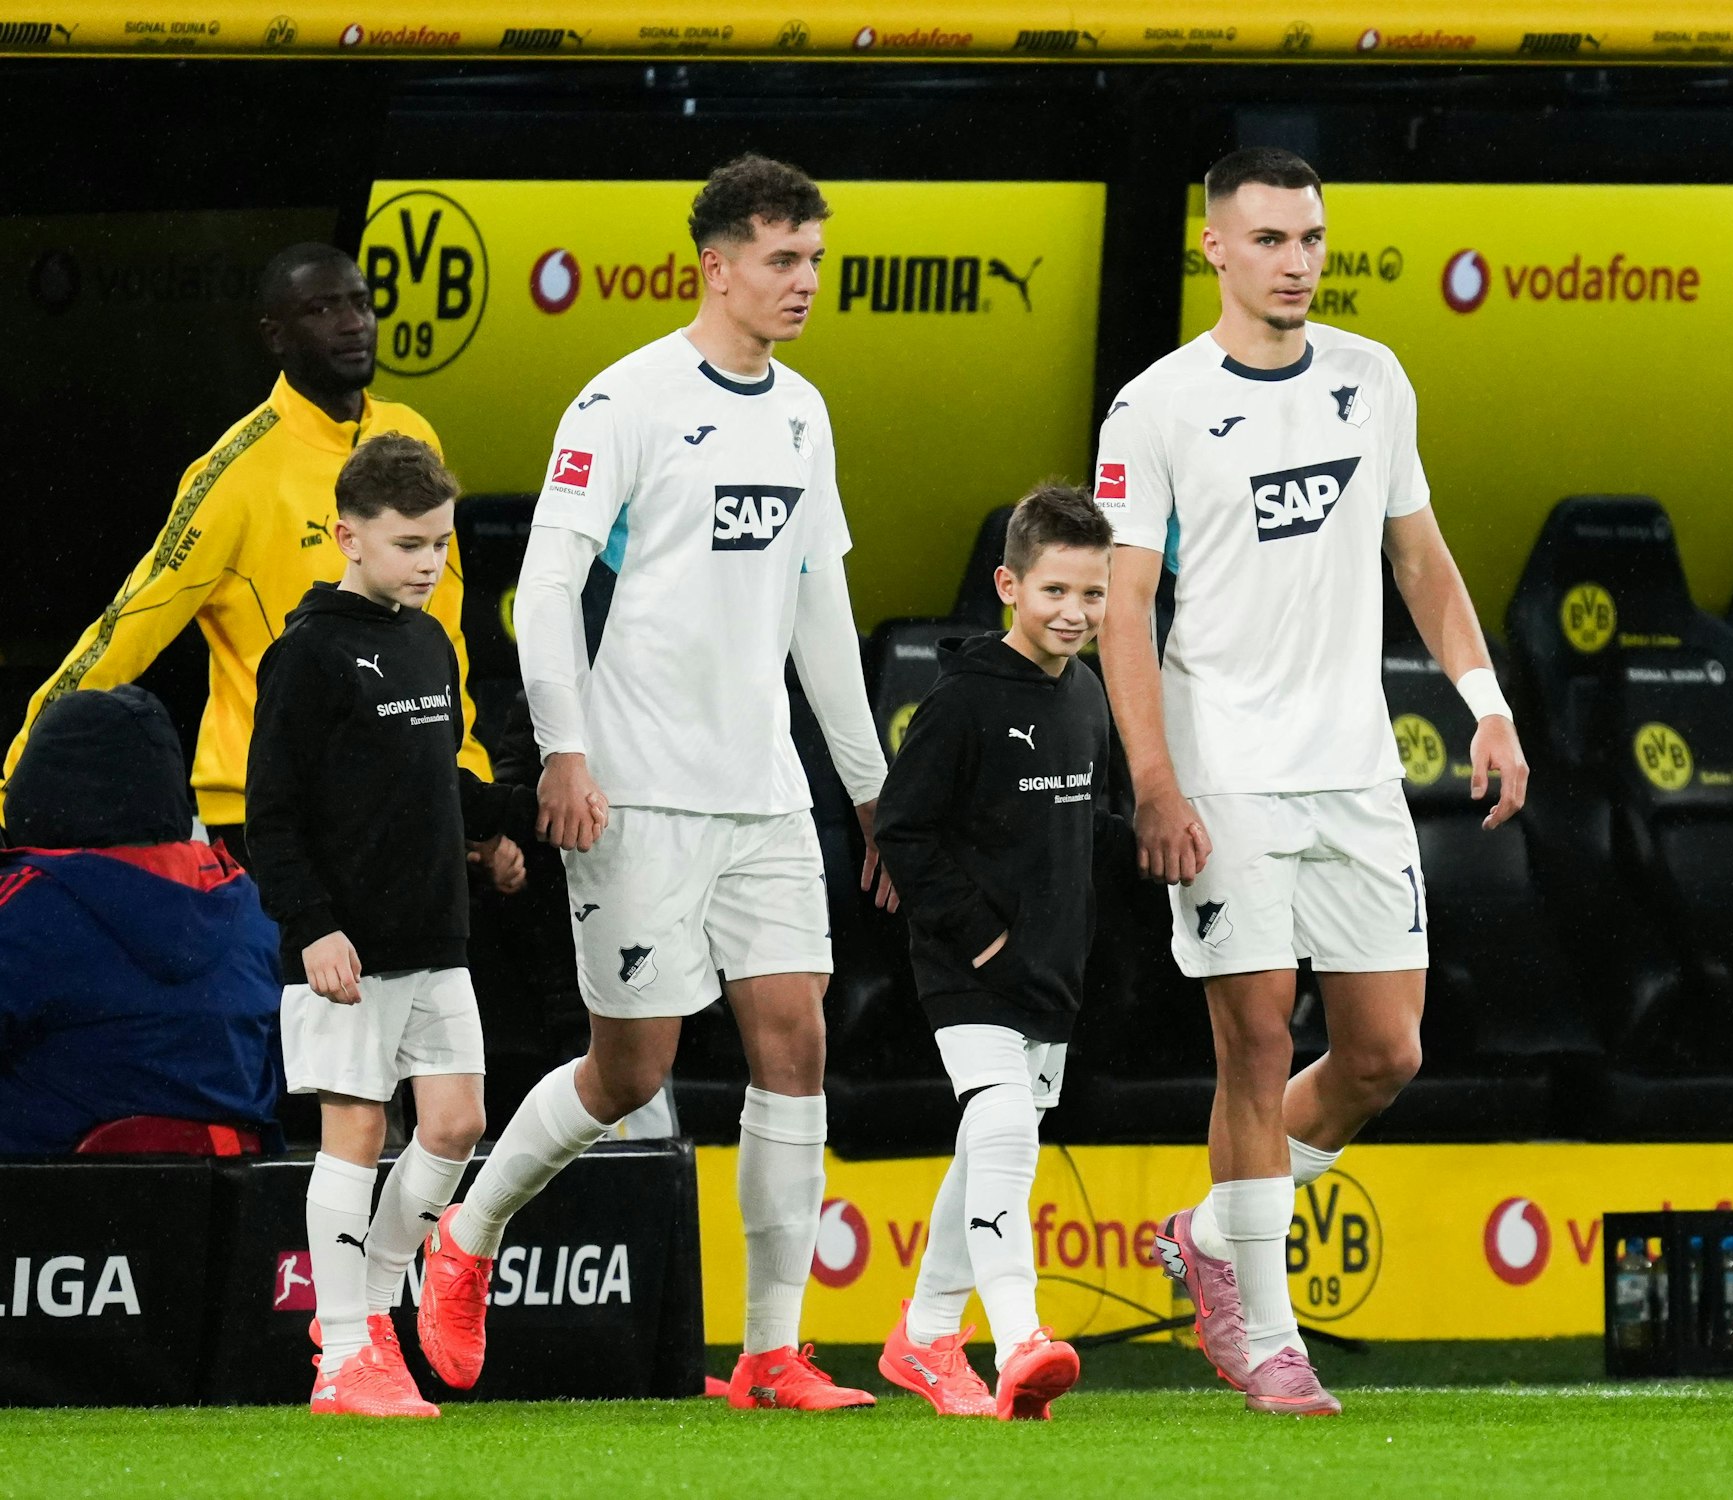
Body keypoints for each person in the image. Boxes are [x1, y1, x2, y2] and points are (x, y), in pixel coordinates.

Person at [418, 154, 893, 1412]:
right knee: (631, 1070)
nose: (802, 284)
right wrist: (566, 752)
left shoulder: (805, 413)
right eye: (781, 260)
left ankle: (770, 1352)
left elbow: (822, 610)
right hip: (636, 790)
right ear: (716, 266)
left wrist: (870, 791)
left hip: (763, 794)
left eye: (813, 260)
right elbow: (545, 589)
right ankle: (468, 1238)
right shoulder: (622, 400)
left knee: (793, 1046)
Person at [1093, 147, 1529, 1414]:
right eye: (1271, 240)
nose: (1296, 262)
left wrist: (1486, 708)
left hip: (1352, 771)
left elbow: (1421, 561)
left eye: (1311, 240)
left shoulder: (1370, 379)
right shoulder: (1155, 407)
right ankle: (1265, 1336)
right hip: (1224, 769)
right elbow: (1127, 607)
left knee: (1384, 1051)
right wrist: (1155, 780)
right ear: (1215, 251)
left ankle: (1210, 1234)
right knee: (1252, 1036)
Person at [1, 242, 502, 879]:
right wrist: (12, 781)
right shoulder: (236, 476)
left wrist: (465, 777)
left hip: (401, 798)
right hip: (269, 810)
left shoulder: (410, 436)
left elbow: (443, 631)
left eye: (361, 303)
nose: (352, 323)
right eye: (322, 309)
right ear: (276, 336)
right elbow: (125, 631)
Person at [245, 435, 535, 1418]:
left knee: (455, 1126)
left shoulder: (429, 641)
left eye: (442, 544)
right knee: (357, 1133)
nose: (428, 562)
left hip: (433, 934)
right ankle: (342, 1359)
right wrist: (314, 927)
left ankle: (371, 1319)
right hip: (348, 948)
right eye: (409, 543)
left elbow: (424, 783)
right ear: (347, 536)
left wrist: (497, 826)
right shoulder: (308, 654)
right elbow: (271, 812)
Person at [872, 484, 1131, 1421]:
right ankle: (1020, 1337)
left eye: (1092, 595)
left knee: (984, 1145)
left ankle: (927, 1335)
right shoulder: (963, 701)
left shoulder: (1089, 694)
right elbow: (904, 828)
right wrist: (978, 931)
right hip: (966, 968)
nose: (1075, 613)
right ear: (1008, 586)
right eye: (1056, 591)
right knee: (1008, 1133)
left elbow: (1079, 826)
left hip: (1051, 971)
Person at [0, 685, 280, 1155]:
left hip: (44, 1205)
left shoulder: (28, 904)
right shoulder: (249, 906)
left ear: (39, 783)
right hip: (232, 1208)